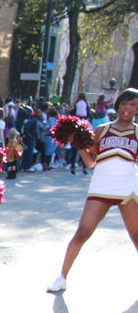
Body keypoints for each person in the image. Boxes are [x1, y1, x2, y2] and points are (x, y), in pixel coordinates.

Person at [47, 88, 138, 293]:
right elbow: (90, 163)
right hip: (102, 186)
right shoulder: (101, 130)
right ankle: (62, 278)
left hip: (128, 188)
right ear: (117, 106)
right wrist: (78, 144)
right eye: (124, 103)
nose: (128, 108)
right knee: (82, 232)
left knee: (136, 236)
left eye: (133, 104)